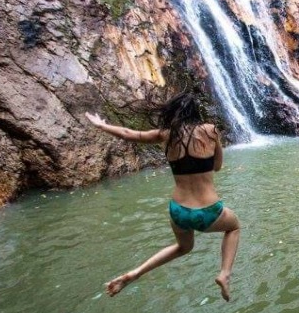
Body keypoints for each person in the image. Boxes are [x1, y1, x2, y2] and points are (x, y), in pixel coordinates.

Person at [84, 92, 240, 301]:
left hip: (178, 211)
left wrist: (102, 125)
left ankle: (135, 273)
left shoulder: (165, 135)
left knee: (183, 247)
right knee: (234, 226)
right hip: (207, 210)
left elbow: (129, 133)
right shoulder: (210, 130)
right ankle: (224, 273)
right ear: (195, 112)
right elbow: (218, 166)